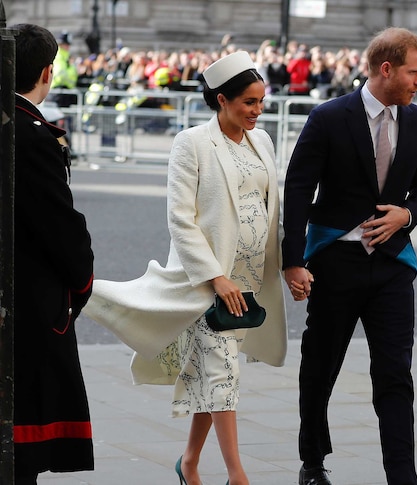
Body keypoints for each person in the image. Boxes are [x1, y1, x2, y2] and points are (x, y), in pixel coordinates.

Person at [83, 51, 292, 485]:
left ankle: (190, 463)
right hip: (209, 282)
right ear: (221, 100)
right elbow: (181, 219)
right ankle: (238, 476)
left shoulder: (264, 142)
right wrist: (215, 277)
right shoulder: (192, 142)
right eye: (249, 102)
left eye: (261, 102)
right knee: (222, 373)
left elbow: (272, 212)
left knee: (211, 375)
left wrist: (291, 265)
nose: (257, 111)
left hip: (251, 280)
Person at [282, 27, 417, 485]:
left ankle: (402, 477)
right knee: (319, 369)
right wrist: (294, 261)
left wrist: (405, 215)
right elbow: (296, 189)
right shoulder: (329, 117)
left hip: (392, 267)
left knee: (395, 375)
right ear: (385, 69)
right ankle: (312, 463)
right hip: (335, 264)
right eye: (413, 71)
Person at [10, 23, 95, 485]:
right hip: (28, 302)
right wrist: (81, 283)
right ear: (47, 72)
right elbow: (64, 232)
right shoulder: (34, 138)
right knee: (23, 442)